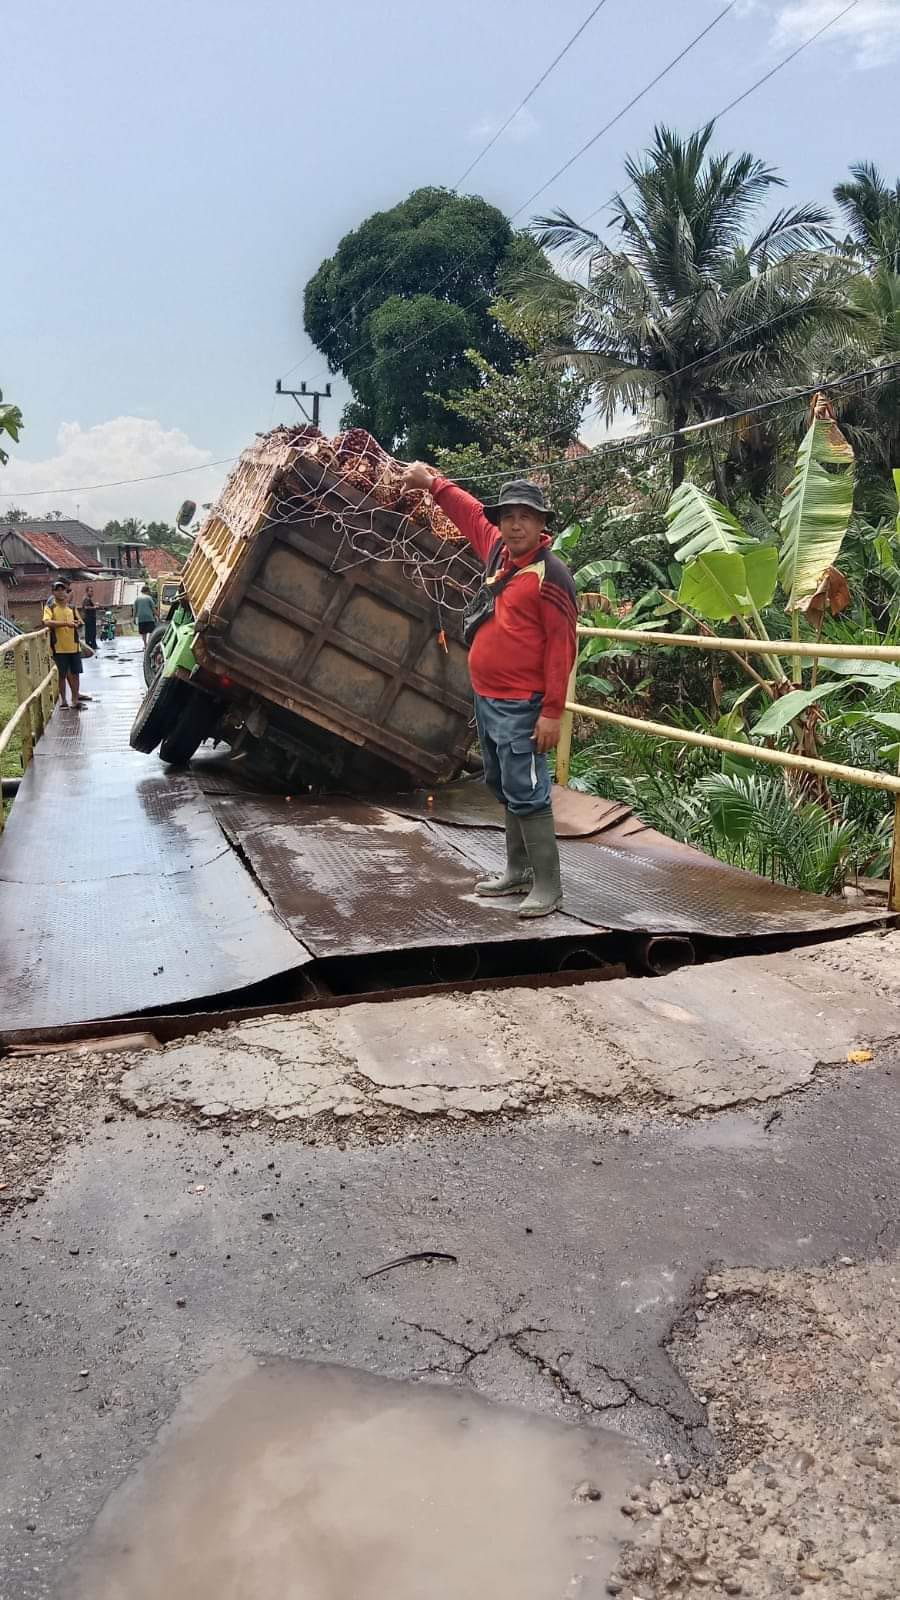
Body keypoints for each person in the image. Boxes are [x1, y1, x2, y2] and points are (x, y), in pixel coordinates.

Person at [402, 463, 577, 918]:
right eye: (508, 516)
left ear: (542, 525)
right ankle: (517, 871)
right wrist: (432, 484)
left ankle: (548, 887)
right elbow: (470, 514)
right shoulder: (500, 554)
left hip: (524, 705)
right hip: (488, 699)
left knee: (528, 788)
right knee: (503, 784)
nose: (514, 524)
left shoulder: (551, 577)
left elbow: (562, 649)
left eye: (525, 516)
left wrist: (552, 713)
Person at [43, 579, 86, 708]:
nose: (61, 592)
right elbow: (47, 622)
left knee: (76, 673)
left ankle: (75, 699)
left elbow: (80, 621)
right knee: (62, 675)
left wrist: (77, 624)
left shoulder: (71, 608)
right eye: (58, 590)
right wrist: (66, 624)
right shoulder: (50, 607)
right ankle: (64, 701)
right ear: (53, 593)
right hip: (59, 647)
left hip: (73, 645)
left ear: (66, 592)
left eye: (63, 590)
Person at [81, 584, 98, 649]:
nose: (92, 593)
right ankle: (91, 645)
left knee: (91, 632)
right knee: (91, 632)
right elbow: (86, 607)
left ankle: (92, 644)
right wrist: (94, 607)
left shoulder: (88, 599)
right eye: (90, 591)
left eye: (92, 591)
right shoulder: (86, 599)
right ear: (87, 592)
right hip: (89, 618)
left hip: (90, 617)